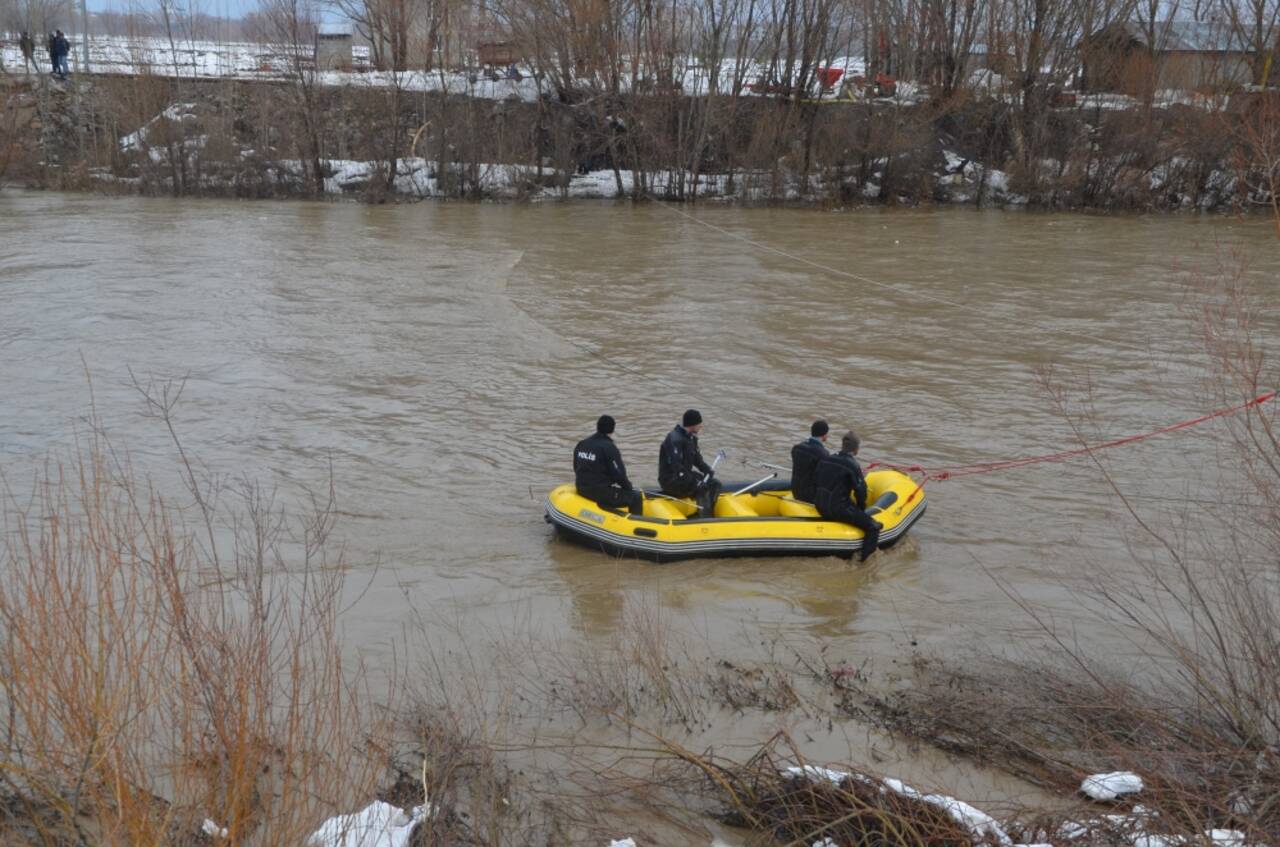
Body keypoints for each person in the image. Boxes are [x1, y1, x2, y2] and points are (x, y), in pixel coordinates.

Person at [813, 431, 883, 562]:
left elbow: (816, 480)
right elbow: (861, 492)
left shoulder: (826, 458)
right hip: (838, 509)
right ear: (856, 449)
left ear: (842, 445)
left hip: (820, 506)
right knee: (873, 527)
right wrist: (861, 511)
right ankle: (864, 563)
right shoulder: (852, 465)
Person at [574, 414, 643, 515]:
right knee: (636, 497)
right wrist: (628, 488)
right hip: (600, 492)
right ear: (612, 429)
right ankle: (637, 524)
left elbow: (576, 467)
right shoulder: (609, 447)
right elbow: (619, 475)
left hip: (581, 488)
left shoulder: (582, 444)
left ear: (597, 426)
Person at [658, 409, 722, 518]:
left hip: (684, 476)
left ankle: (706, 510)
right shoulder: (674, 439)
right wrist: (695, 482)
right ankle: (704, 519)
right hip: (671, 479)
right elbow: (677, 467)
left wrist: (707, 470)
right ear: (692, 424)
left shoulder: (691, 438)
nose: (701, 426)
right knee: (702, 487)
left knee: (715, 484)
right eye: (699, 423)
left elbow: (697, 459)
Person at [790, 419, 830, 503]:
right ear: (824, 435)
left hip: (795, 491)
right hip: (810, 497)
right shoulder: (823, 454)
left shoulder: (796, 448)